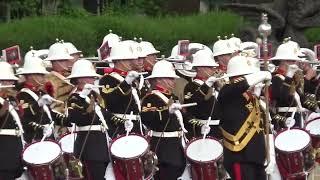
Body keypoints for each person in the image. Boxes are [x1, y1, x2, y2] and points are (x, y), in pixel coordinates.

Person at [216, 55, 271, 180]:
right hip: (240, 156)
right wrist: (260, 75)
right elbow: (239, 86)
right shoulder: (227, 91)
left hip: (255, 156)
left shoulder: (249, 96)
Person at [141, 60, 187, 180]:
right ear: (159, 79)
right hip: (163, 146)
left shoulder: (172, 97)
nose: (173, 81)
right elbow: (148, 118)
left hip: (177, 145)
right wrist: (167, 112)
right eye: (170, 78)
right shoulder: (151, 98)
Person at [66, 59, 111, 180]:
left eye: (93, 77)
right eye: (89, 77)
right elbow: (75, 118)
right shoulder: (74, 97)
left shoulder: (95, 95)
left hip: (101, 142)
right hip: (89, 143)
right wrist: (82, 97)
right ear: (80, 79)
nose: (93, 80)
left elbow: (103, 114)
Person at [99, 41, 142, 137]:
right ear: (119, 60)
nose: (132, 62)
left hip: (136, 125)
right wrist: (125, 83)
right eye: (128, 60)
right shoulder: (108, 79)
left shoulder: (132, 78)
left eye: (132, 59)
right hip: (118, 126)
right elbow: (110, 100)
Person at [16, 55, 61, 143]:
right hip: (34, 137)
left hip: (49, 134)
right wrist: (38, 104)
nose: (43, 77)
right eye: (40, 75)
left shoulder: (41, 93)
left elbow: (48, 114)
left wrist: (65, 119)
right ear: (30, 76)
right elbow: (24, 116)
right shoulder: (22, 95)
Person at [183, 49, 221, 138]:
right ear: (200, 68)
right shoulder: (191, 86)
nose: (213, 70)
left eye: (213, 67)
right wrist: (206, 85)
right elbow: (192, 105)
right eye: (210, 67)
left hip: (219, 128)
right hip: (204, 129)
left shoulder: (215, 84)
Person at [44, 41, 76, 136]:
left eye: (66, 60)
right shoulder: (48, 81)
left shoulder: (71, 76)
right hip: (60, 125)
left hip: (74, 123)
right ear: (54, 62)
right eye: (63, 60)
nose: (67, 62)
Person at [0, 62, 24, 180]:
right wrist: (3, 109)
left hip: (14, 146)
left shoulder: (10, 99)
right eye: (7, 81)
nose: (11, 84)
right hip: (3, 150)